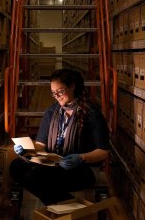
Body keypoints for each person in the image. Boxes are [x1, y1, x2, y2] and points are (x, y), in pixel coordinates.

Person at [9, 69, 110, 205]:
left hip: (83, 169)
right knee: (16, 166)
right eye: (53, 92)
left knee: (36, 175)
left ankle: (61, 207)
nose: (56, 96)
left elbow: (103, 151)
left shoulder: (91, 113)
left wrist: (81, 157)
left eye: (60, 91)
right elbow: (41, 145)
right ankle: (67, 204)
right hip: (55, 163)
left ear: (72, 86)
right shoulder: (51, 112)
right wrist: (26, 150)